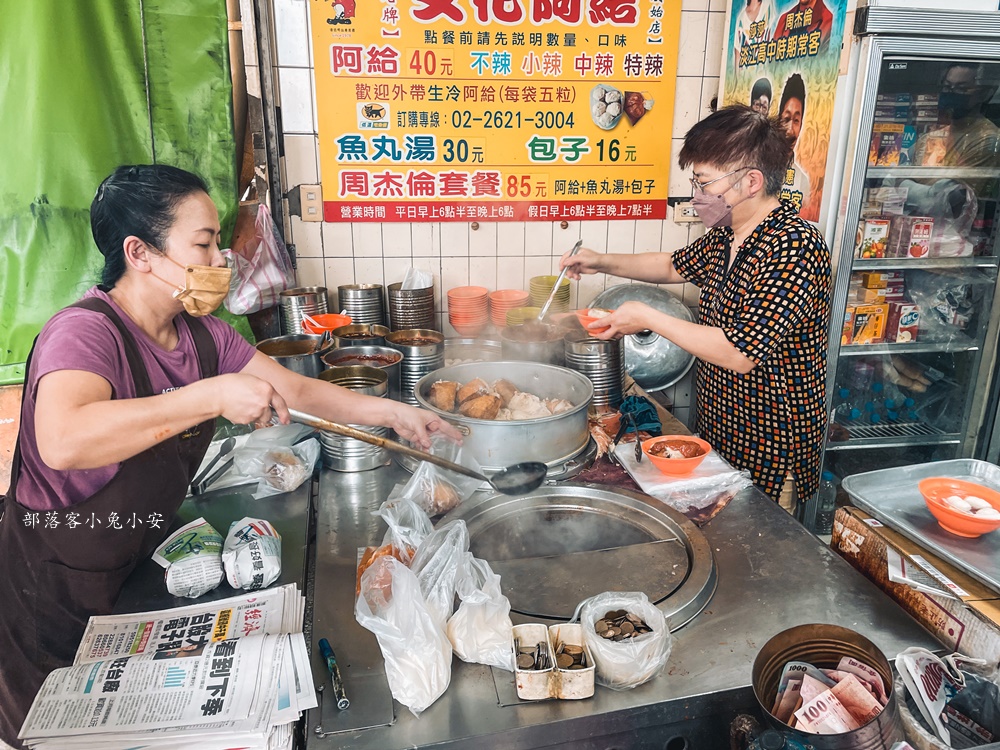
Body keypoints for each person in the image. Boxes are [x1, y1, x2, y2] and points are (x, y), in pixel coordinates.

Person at [0, 164, 460, 749]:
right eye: (203, 243)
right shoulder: (86, 334)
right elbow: (63, 439)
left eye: (217, 241)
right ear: (139, 252)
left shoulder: (201, 335)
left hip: (139, 560)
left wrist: (395, 413)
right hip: (56, 581)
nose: (222, 258)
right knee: (55, 730)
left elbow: (298, 391)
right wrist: (210, 395)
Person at [560, 105, 831, 514]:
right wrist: (601, 261)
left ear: (751, 181)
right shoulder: (729, 234)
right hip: (722, 429)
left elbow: (740, 353)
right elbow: (672, 264)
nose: (697, 196)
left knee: (756, 546)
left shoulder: (793, 246)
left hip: (772, 445)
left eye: (704, 183)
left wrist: (648, 317)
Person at [917, 61, 1000, 168]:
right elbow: (895, 174)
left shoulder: (988, 140)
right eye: (947, 87)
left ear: (982, 93)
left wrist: (905, 182)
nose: (952, 93)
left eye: (962, 89)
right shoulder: (932, 136)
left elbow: (950, 185)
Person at [777, 73, 812, 216]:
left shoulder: (803, 181)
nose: (791, 130)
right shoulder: (757, 167)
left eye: (796, 120)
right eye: (786, 119)